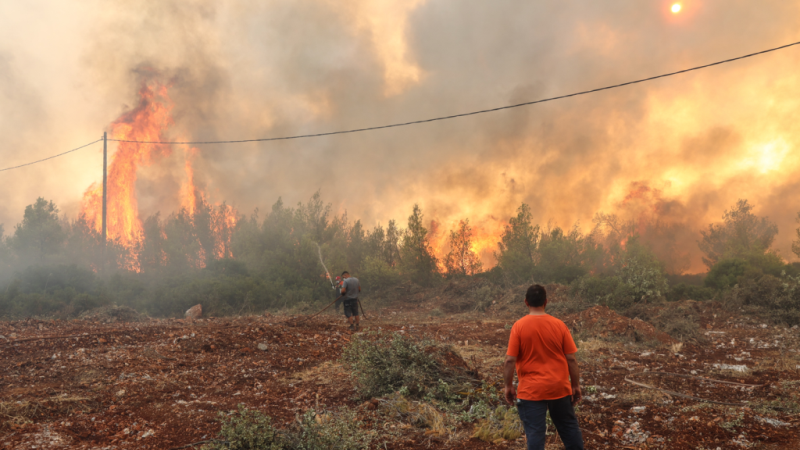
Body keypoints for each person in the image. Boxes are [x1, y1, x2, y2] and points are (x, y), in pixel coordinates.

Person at [503, 284, 584, 450]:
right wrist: (575, 385)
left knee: (535, 435)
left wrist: (508, 386)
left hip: (531, 391)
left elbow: (510, 361)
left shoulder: (518, 326)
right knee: (569, 429)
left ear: (526, 302)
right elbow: (571, 359)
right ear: (546, 302)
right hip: (559, 388)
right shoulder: (559, 325)